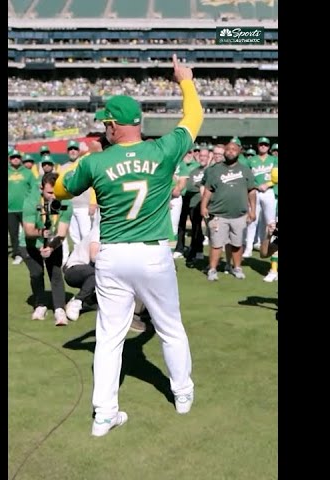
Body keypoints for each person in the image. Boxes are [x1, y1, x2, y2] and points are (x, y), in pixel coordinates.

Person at [54, 54, 203, 437]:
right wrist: (184, 80)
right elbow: (194, 118)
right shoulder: (164, 149)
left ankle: (104, 414)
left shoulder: (96, 162)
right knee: (171, 327)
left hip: (114, 255)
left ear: (115, 126)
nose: (104, 127)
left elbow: (58, 189)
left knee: (109, 337)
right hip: (153, 252)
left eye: (107, 122)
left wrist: (75, 169)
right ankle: (182, 394)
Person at [22, 172, 73, 326]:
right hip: (30, 244)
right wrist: (41, 233)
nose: (53, 196)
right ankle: (40, 305)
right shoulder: (31, 202)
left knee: (56, 274)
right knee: (36, 274)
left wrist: (51, 247)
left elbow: (62, 233)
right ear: (41, 189)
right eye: (50, 192)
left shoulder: (66, 202)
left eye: (56, 192)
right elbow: (29, 230)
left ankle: (59, 309)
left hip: (53, 242)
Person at [200, 141, 257, 281]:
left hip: (239, 214)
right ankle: (212, 269)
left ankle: (236, 267)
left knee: (237, 244)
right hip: (219, 214)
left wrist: (253, 210)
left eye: (234, 149)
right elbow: (208, 190)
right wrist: (203, 206)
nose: (231, 151)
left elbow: (251, 191)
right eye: (228, 149)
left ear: (239, 152)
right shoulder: (215, 170)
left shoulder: (245, 170)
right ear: (224, 152)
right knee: (216, 243)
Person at [8, 151, 37, 265]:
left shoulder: (28, 173)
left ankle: (31, 252)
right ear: (10, 159)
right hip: (10, 209)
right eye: (13, 157)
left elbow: (34, 188)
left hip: (26, 208)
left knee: (29, 232)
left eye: (17, 157)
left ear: (20, 159)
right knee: (13, 233)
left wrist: (31, 202)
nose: (15, 159)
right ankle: (18, 254)